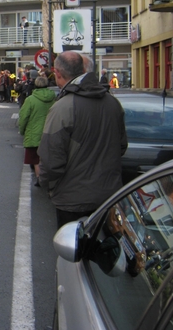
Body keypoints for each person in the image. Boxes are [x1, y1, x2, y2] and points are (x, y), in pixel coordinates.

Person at [38, 51, 127, 229]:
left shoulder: (63, 107)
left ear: (58, 73)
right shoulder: (112, 103)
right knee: (103, 251)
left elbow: (50, 160)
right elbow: (121, 146)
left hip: (73, 197)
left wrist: (50, 186)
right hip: (109, 194)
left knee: (71, 251)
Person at [19, 76, 56, 186]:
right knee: (48, 157)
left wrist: (22, 130)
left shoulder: (30, 99)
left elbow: (23, 117)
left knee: (36, 159)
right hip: (51, 131)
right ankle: (49, 178)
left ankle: (39, 178)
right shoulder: (53, 98)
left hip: (34, 132)